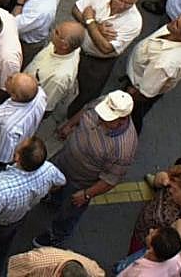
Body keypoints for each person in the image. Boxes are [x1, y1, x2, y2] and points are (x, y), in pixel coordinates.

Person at [36, 90, 139, 248]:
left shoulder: (124, 148)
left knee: (68, 213)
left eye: (107, 118)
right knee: (55, 188)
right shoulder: (105, 102)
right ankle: (54, 199)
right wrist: (70, 124)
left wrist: (86, 194)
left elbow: (110, 180)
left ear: (122, 119)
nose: (101, 118)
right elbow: (85, 110)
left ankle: (56, 235)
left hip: (80, 182)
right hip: (64, 160)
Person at [0, 137, 66, 277]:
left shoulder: (2, 187)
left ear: (17, 157)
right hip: (16, 220)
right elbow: (61, 182)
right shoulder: (48, 169)